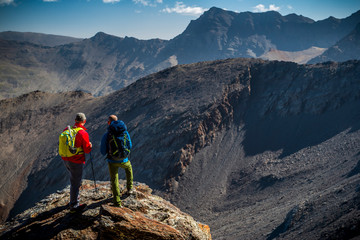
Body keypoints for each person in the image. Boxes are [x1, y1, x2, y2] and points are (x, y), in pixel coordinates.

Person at [61, 113, 92, 213]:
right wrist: (90, 145)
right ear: (84, 121)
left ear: (75, 120)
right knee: (76, 182)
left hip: (66, 159)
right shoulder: (82, 133)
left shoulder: (67, 130)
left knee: (73, 179)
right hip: (76, 160)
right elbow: (87, 150)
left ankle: (73, 199)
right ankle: (74, 205)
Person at [100, 115, 134, 207]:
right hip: (124, 159)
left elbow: (103, 151)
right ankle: (130, 188)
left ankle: (117, 201)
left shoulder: (107, 135)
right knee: (129, 169)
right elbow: (130, 145)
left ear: (109, 122)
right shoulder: (125, 132)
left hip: (112, 160)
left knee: (114, 179)